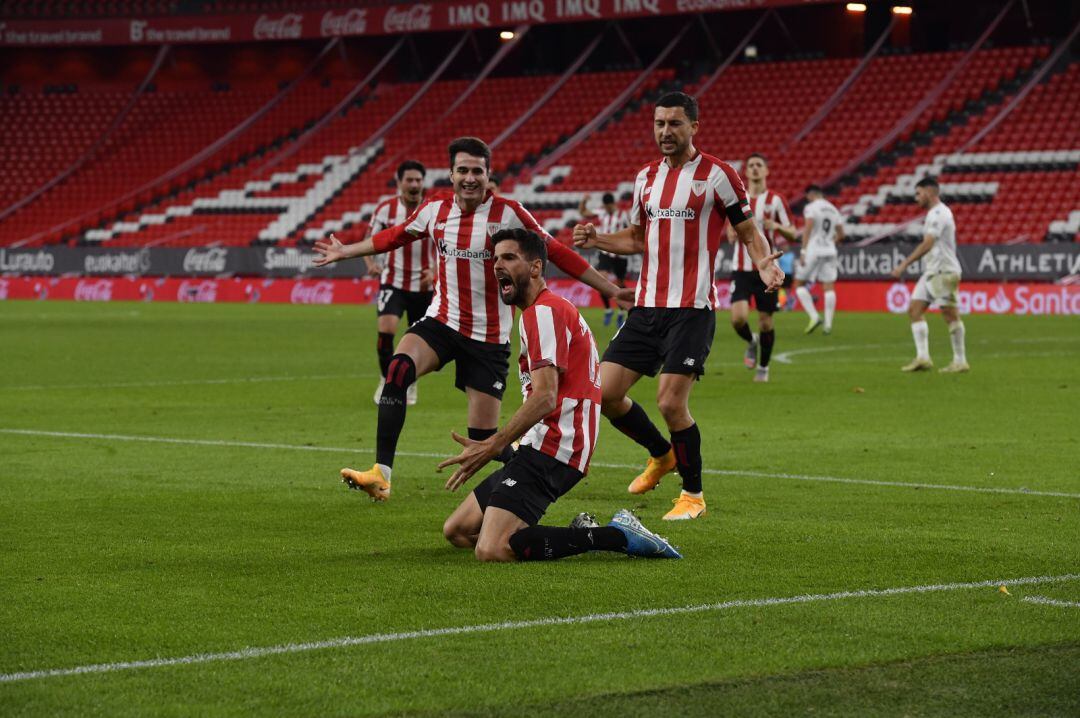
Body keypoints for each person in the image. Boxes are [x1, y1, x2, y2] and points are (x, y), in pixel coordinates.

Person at [313, 137, 629, 500]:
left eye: (477, 171)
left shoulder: (509, 213)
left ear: (488, 175)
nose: (469, 178)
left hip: (488, 339)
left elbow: (554, 250)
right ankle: (380, 475)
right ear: (451, 174)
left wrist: (611, 289)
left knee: (484, 439)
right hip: (442, 322)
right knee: (397, 370)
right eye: (462, 170)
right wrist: (345, 252)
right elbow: (394, 237)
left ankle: (533, 476)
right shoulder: (435, 210)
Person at [573, 92, 784, 521]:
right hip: (647, 307)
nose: (665, 132)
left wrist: (763, 262)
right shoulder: (645, 178)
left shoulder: (719, 175)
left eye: (674, 123)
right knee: (604, 393)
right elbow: (636, 238)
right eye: (659, 124)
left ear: (694, 127)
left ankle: (692, 495)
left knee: (670, 403)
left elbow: (748, 231)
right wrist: (598, 240)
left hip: (691, 309)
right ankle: (661, 453)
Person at [439, 228, 680, 561]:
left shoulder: (544, 312)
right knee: (458, 530)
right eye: (495, 259)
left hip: (557, 445)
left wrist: (495, 443)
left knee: (491, 549)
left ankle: (616, 535)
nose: (498, 266)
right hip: (541, 443)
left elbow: (546, 396)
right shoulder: (543, 310)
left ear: (536, 267)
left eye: (509, 257)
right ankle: (541, 534)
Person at [363, 161, 433, 406]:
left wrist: (435, 270)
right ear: (399, 182)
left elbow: (447, 243)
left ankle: (409, 382)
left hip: (424, 286)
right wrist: (370, 263)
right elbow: (369, 239)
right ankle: (386, 379)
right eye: (409, 180)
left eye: (418, 180)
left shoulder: (433, 209)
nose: (414, 184)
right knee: (386, 332)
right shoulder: (386, 209)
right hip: (393, 281)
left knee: (417, 341)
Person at [728, 153, 795, 383]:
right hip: (741, 267)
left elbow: (792, 232)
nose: (755, 168)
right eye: (751, 165)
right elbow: (729, 229)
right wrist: (730, 232)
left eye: (759, 165)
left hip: (767, 269)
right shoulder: (738, 199)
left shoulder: (776, 200)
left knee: (766, 321)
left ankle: (763, 367)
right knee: (738, 319)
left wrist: (776, 225)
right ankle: (751, 341)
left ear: (766, 171)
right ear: (746, 172)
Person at [891, 177, 969, 373]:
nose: (916, 198)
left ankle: (960, 361)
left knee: (950, 314)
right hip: (932, 271)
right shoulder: (933, 214)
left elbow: (928, 243)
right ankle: (923, 358)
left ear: (928, 192)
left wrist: (904, 264)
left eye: (918, 193)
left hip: (944, 271)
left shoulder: (939, 213)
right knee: (914, 310)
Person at [793, 184, 844, 335]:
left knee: (799, 284)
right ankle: (828, 325)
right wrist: (830, 243)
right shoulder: (833, 209)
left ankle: (814, 317)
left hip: (814, 250)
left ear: (810, 194)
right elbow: (842, 234)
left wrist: (803, 251)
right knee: (829, 287)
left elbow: (808, 229)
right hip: (830, 250)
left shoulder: (811, 207)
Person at [578, 192, 630, 327]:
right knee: (601, 279)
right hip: (605, 252)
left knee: (620, 284)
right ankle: (608, 310)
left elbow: (631, 231)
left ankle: (621, 311)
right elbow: (583, 212)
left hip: (620, 254)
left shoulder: (623, 215)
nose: (606, 209)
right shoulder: (602, 213)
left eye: (608, 207)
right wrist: (584, 201)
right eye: (605, 207)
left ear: (612, 204)